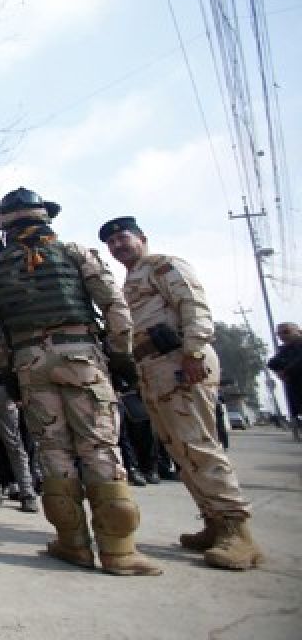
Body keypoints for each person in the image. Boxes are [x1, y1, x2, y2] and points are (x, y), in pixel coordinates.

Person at [0, 189, 161, 575]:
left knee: (53, 452)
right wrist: (121, 354)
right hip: (81, 356)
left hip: (29, 364)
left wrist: (9, 368)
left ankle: (73, 544)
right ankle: (119, 551)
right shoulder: (74, 253)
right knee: (99, 447)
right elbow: (113, 304)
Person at [102, 215, 264, 570]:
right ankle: (214, 522)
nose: (117, 246)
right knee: (180, 449)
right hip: (154, 369)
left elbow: (194, 306)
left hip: (179, 361)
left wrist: (192, 352)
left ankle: (238, 531)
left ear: (142, 237)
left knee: (199, 444)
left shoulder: (164, 266)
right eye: (111, 243)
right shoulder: (130, 282)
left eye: (123, 239)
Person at [268, 322, 302, 441]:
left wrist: (286, 370)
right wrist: (281, 371)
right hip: (295, 389)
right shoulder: (285, 349)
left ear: (298, 331)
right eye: (279, 334)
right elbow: (272, 363)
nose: (282, 336)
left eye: (286, 332)